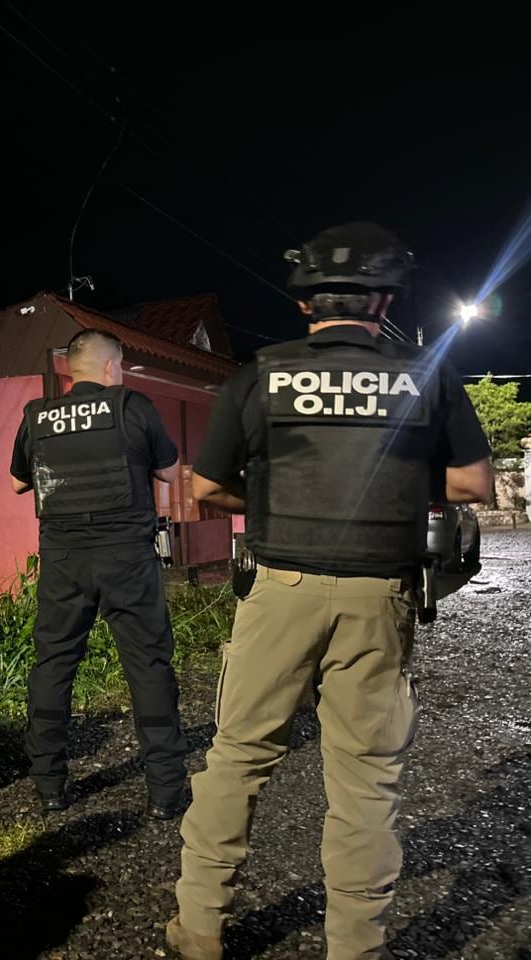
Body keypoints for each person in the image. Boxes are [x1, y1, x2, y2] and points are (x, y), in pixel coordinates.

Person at [166, 223, 493, 960]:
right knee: (366, 779)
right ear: (384, 299)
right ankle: (356, 946)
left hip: (279, 593)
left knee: (238, 757)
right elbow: (473, 483)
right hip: (379, 598)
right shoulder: (425, 373)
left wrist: (272, 494)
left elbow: (208, 486)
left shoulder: (259, 374)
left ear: (304, 303)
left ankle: (200, 929)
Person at [10, 329, 189, 818]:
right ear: (112, 366)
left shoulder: (38, 416)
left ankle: (49, 786)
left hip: (64, 562)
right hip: (127, 559)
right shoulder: (132, 406)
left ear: (71, 367)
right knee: (148, 666)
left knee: (54, 666)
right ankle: (166, 794)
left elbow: (17, 483)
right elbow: (171, 473)